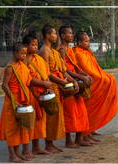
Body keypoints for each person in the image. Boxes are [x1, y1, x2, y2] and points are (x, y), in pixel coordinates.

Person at [0, 43, 51, 162]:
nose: (23, 55)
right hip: (13, 100)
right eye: (21, 53)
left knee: (22, 127)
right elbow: (4, 85)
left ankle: (18, 152)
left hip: (25, 98)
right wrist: (14, 101)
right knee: (12, 128)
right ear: (14, 53)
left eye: (25, 53)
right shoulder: (10, 67)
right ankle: (12, 154)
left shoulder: (23, 65)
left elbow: (29, 81)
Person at [73, 31, 118, 142]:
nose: (88, 43)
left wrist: (106, 76)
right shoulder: (78, 53)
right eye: (86, 41)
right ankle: (86, 133)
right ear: (79, 42)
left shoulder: (87, 52)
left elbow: (96, 68)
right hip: (88, 83)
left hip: (92, 81)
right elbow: (87, 70)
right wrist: (103, 78)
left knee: (111, 79)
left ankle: (92, 129)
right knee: (88, 108)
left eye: (88, 41)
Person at [38, 24, 77, 152]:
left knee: (57, 116)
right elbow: (46, 72)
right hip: (50, 86)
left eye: (55, 33)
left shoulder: (54, 51)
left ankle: (52, 143)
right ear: (47, 35)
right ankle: (48, 143)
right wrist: (61, 81)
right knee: (51, 116)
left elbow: (63, 70)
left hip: (59, 84)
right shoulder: (44, 51)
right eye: (53, 33)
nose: (55, 36)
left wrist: (73, 82)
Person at [58, 25, 92, 147]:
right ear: (63, 36)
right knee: (69, 112)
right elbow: (64, 69)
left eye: (72, 33)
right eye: (69, 33)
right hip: (68, 81)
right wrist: (78, 78)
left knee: (81, 111)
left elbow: (75, 65)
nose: (72, 35)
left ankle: (79, 138)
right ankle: (68, 140)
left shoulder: (70, 49)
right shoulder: (61, 49)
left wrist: (84, 74)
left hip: (76, 79)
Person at [22, 32, 53, 156]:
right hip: (30, 94)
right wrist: (43, 84)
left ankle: (36, 147)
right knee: (29, 121)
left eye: (36, 44)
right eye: (33, 45)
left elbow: (46, 74)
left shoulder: (39, 59)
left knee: (39, 122)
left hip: (42, 94)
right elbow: (28, 78)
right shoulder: (24, 60)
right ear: (26, 46)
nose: (35, 47)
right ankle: (25, 149)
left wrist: (48, 86)